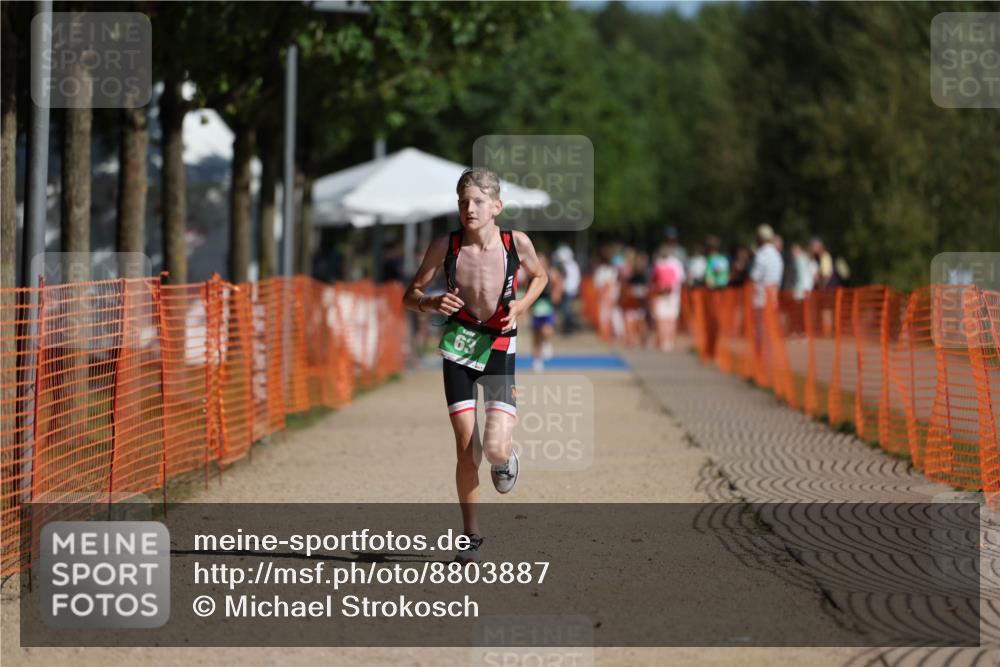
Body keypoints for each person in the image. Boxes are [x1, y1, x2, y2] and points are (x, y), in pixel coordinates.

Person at [403, 167, 548, 564]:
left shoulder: (515, 242)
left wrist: (521, 305)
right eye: (464, 202)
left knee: (495, 449)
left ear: (496, 207)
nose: (470, 208)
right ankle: (471, 535)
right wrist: (430, 302)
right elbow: (410, 294)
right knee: (467, 449)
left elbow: (541, 277)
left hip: (500, 344)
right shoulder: (445, 246)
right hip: (460, 346)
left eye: (479, 202)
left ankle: (505, 459)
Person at [526, 253, 564, 372]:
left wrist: (556, 295)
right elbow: (528, 290)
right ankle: (537, 361)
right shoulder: (532, 275)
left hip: (548, 307)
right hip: (536, 308)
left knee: (546, 331)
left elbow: (559, 285)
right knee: (536, 337)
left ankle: (546, 343)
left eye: (542, 261)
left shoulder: (552, 273)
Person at [750, 224, 784, 355]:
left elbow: (754, 277)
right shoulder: (777, 255)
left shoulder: (761, 255)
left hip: (760, 298)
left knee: (760, 331)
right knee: (769, 330)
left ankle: (761, 362)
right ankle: (768, 358)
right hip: (773, 297)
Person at [650, 244, 685, 351]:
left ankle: (665, 341)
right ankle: (668, 341)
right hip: (669, 294)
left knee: (665, 318)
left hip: (666, 294)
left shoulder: (661, 263)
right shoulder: (673, 263)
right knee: (668, 318)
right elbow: (681, 278)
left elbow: (653, 279)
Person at [552, 244, 580, 334]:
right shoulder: (565, 266)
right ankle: (566, 326)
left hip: (568, 291)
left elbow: (572, 280)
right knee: (563, 310)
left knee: (566, 310)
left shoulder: (572, 266)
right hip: (565, 291)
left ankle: (569, 327)